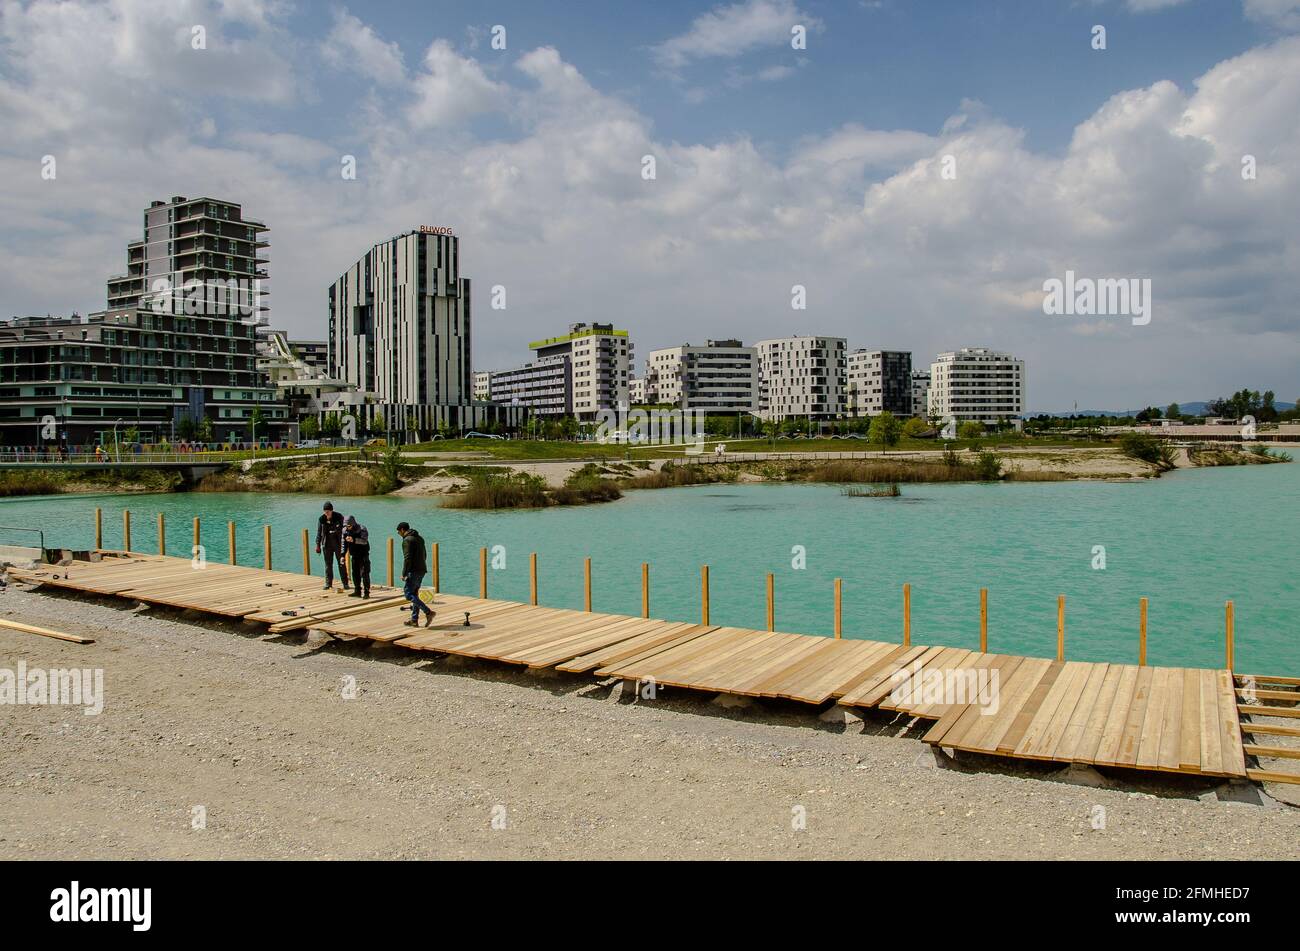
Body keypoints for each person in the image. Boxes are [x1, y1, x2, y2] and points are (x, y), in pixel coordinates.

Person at [396, 521, 435, 627]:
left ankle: (428, 612)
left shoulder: (407, 540)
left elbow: (407, 558)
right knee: (415, 594)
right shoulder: (420, 538)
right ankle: (414, 620)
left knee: (408, 594)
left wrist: (404, 573)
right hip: (422, 569)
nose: (399, 534)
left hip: (413, 571)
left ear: (402, 530)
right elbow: (424, 554)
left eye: (398, 532)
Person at [314, 502, 350, 591]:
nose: (327, 513)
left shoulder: (339, 517)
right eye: (325, 511)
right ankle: (328, 583)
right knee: (328, 565)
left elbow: (345, 530)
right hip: (327, 544)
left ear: (332, 510)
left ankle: (345, 583)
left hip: (338, 544)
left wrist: (345, 542)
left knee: (341, 563)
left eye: (328, 511)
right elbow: (319, 533)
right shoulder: (321, 519)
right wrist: (318, 545)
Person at [342, 515, 371, 599]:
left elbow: (364, 541)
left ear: (353, 524)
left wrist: (354, 540)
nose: (347, 527)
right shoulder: (345, 530)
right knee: (355, 574)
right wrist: (342, 555)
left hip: (363, 555)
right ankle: (357, 591)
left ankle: (366, 592)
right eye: (346, 526)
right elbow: (343, 543)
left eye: (349, 526)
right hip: (354, 555)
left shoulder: (362, 529)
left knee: (365, 574)